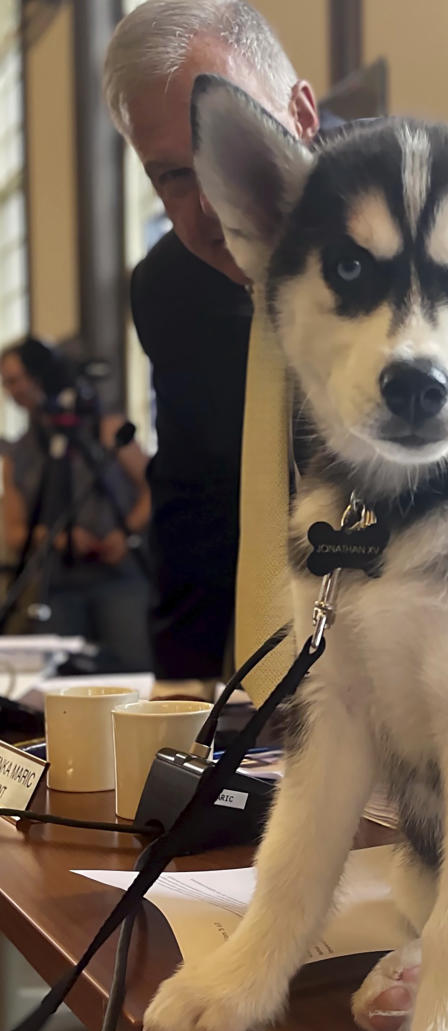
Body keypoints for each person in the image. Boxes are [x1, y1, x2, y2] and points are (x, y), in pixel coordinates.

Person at [102, 0, 331, 690]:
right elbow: (191, 487)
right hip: (258, 675)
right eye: (172, 175)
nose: (210, 207)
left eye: (228, 144)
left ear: (302, 116)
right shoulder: (168, 288)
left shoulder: (407, 203)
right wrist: (183, 682)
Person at [0, 338, 152, 671]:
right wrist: (56, 538)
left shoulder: (108, 431)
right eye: (7, 383)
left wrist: (124, 535)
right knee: (53, 679)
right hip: (57, 584)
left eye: (16, 379)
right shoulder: (19, 454)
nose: (13, 390)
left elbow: (153, 490)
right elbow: (13, 533)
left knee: (134, 666)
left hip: (119, 576)